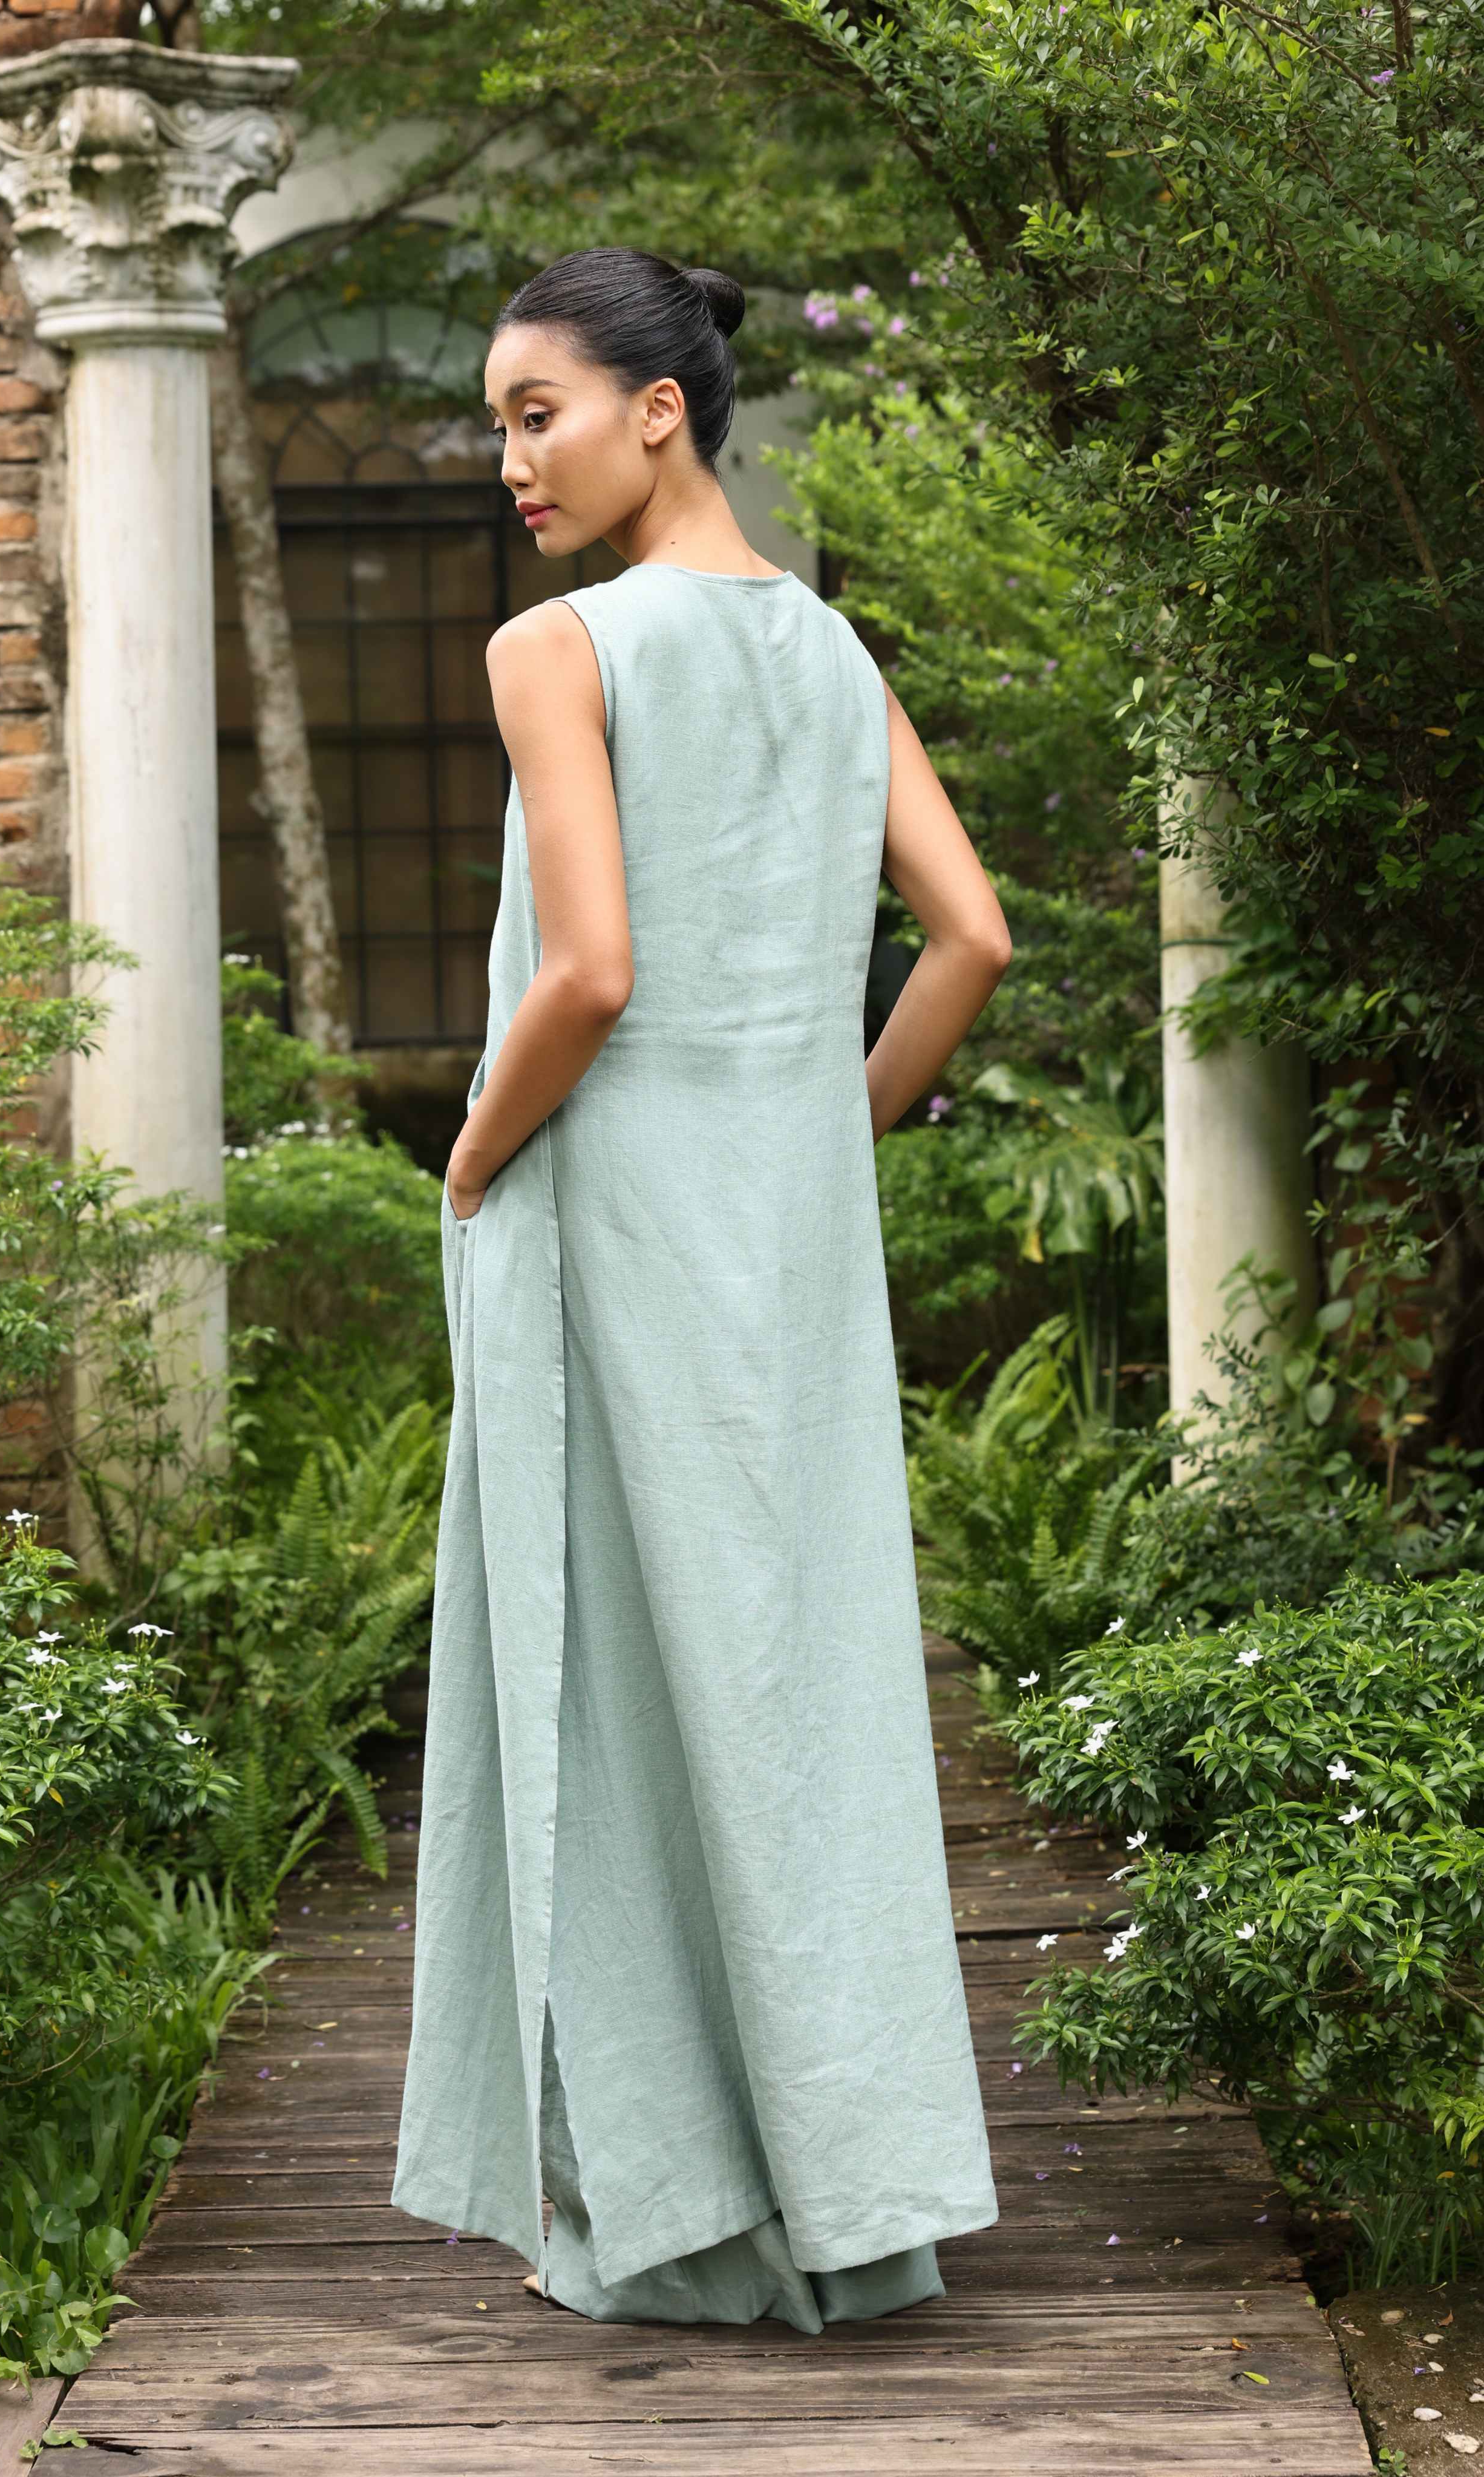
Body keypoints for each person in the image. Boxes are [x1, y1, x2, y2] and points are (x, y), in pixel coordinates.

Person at [388, 245, 1009, 2331]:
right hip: (783, 1250)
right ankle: (846, 2196)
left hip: (600, 1222)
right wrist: (824, 1140)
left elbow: (586, 973)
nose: (509, 461)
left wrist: (471, 1156)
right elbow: (972, 945)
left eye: (533, 410)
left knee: (605, 1706)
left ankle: (665, 2199)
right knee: (790, 1697)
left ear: (661, 408)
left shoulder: (556, 648)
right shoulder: (828, 653)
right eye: (496, 424)